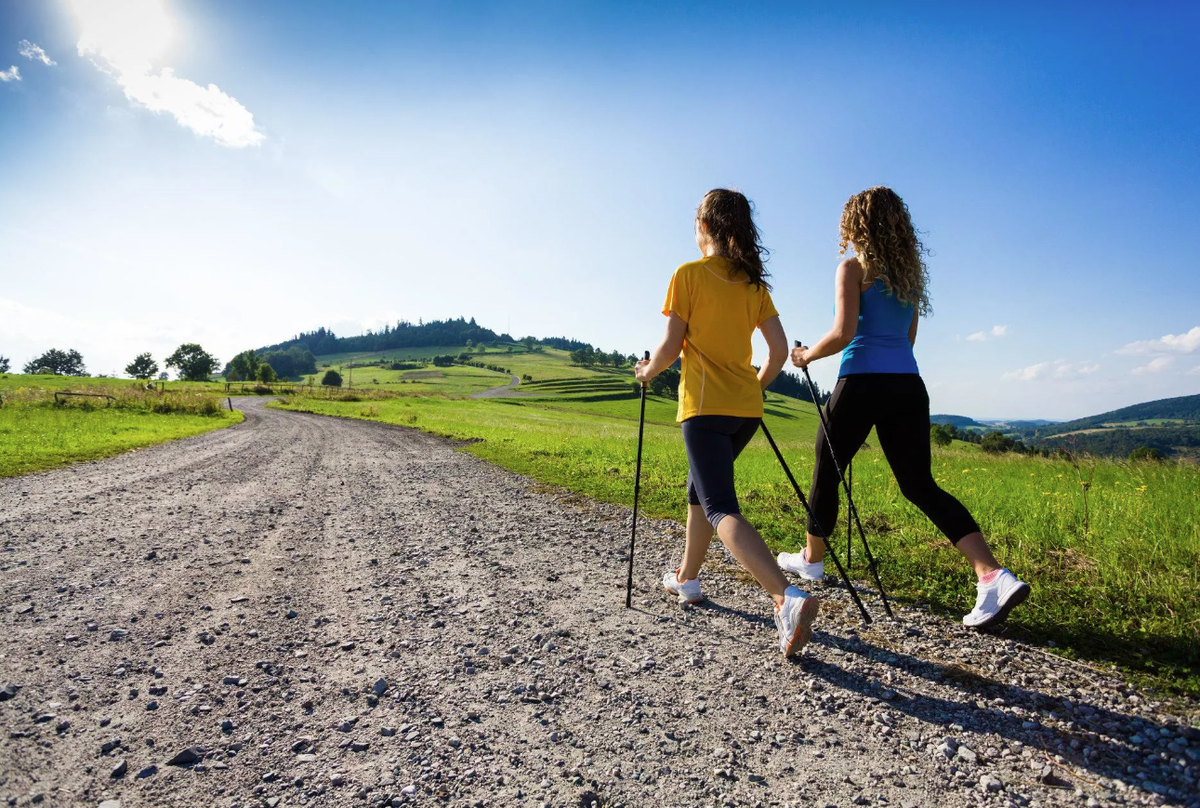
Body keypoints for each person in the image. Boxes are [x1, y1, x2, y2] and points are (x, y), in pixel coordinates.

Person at [780, 186, 1029, 628]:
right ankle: (992, 575)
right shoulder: (907, 276)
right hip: (908, 384)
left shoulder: (852, 268)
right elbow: (908, 339)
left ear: (855, 225)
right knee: (919, 485)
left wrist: (804, 357)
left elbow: (843, 332)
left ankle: (812, 561)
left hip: (860, 380)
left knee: (826, 466)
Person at [635, 188, 820, 658]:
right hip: (746, 410)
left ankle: (786, 598)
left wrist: (646, 371)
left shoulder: (688, 275)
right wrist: (755, 386)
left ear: (706, 225)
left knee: (720, 507)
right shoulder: (755, 285)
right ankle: (688, 579)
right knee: (699, 492)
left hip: (703, 408)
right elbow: (778, 352)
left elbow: (671, 346)